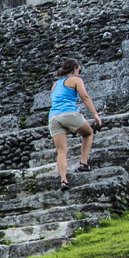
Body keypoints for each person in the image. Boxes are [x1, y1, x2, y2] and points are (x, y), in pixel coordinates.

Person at [48, 57, 105, 192]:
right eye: (79, 69)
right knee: (88, 132)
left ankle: (63, 180)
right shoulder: (76, 80)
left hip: (53, 117)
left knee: (61, 151)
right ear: (74, 69)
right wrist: (95, 114)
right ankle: (83, 163)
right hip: (69, 114)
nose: (79, 72)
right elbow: (84, 97)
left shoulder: (55, 84)